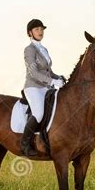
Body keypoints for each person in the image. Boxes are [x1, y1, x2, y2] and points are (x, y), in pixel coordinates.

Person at [21, 19, 66, 156]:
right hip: (33, 87)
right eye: (37, 29)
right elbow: (33, 72)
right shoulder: (29, 50)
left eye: (41, 29)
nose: (40, 32)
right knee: (39, 112)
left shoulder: (44, 49)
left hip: (46, 88)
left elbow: (48, 71)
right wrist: (52, 81)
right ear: (30, 33)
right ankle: (25, 143)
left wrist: (58, 77)